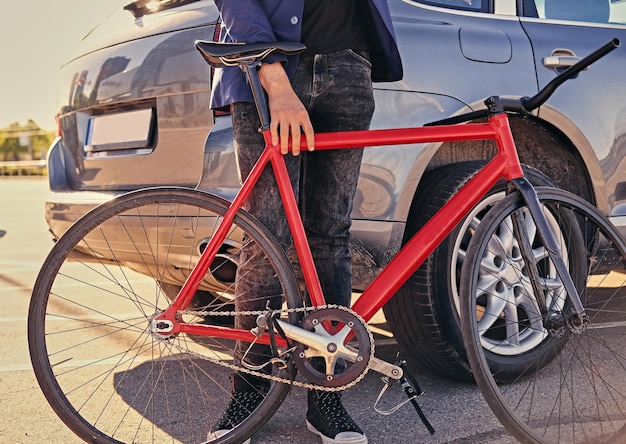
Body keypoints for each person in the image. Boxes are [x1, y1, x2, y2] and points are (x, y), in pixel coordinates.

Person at [208, 1, 403, 443]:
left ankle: (326, 395)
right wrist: (274, 78)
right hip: (268, 66)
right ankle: (249, 392)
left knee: (330, 235)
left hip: (349, 66)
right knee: (266, 240)